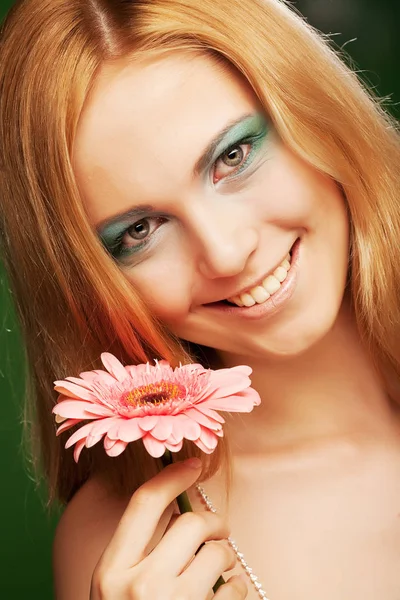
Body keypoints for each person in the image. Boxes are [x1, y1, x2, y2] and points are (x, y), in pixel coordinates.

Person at [1, 0, 400, 598]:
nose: (226, 252)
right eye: (139, 231)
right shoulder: (131, 553)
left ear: (315, 108)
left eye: (232, 157)